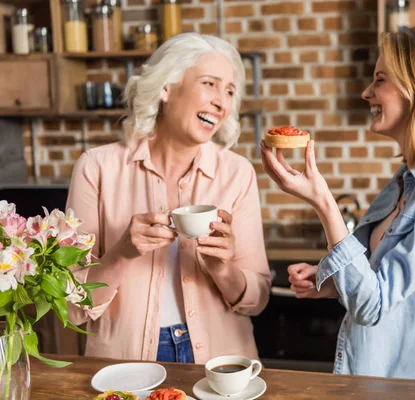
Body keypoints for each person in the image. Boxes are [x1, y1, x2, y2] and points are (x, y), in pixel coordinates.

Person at [260, 28, 415, 381]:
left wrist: (323, 201)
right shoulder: (406, 178)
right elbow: (377, 282)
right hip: (371, 381)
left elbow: (374, 305)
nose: (366, 92)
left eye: (379, 80)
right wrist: (333, 285)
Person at [67, 33, 271, 364]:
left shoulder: (238, 173)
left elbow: (258, 299)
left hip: (220, 363)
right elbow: (70, 302)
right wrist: (122, 252)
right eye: (210, 84)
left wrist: (221, 267)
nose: (222, 101)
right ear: (167, 88)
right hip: (126, 363)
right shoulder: (96, 168)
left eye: (230, 91)